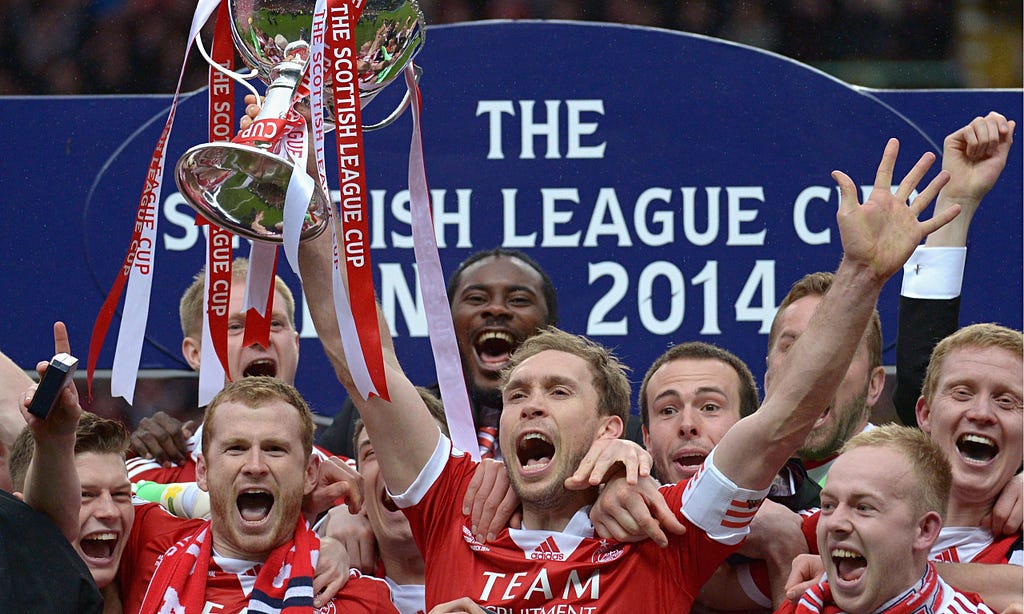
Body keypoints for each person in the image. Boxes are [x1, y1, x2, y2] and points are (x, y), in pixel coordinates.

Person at [302, 137, 957, 611]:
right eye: (518, 394)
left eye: (559, 392)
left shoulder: (663, 528)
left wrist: (861, 276)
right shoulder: (455, 506)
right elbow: (358, 356)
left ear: (610, 428)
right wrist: (305, 208)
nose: (530, 405)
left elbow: (782, 416)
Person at [316, 247, 566, 460]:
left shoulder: (586, 429)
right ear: (445, 326)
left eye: (519, 300)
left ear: (550, 328)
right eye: (477, 298)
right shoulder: (375, 420)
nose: (496, 308)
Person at [778, 424, 996, 614]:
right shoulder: (806, 602)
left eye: (863, 507)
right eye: (828, 505)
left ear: (925, 530)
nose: (835, 522)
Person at [126, 257, 303, 482]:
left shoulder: (342, 482)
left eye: (275, 324)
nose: (260, 338)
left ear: (296, 344)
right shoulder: (143, 478)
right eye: (236, 326)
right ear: (195, 354)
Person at [9, 412, 134, 613]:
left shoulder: (157, 589)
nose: (109, 511)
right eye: (83, 495)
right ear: (23, 511)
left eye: (120, 494)